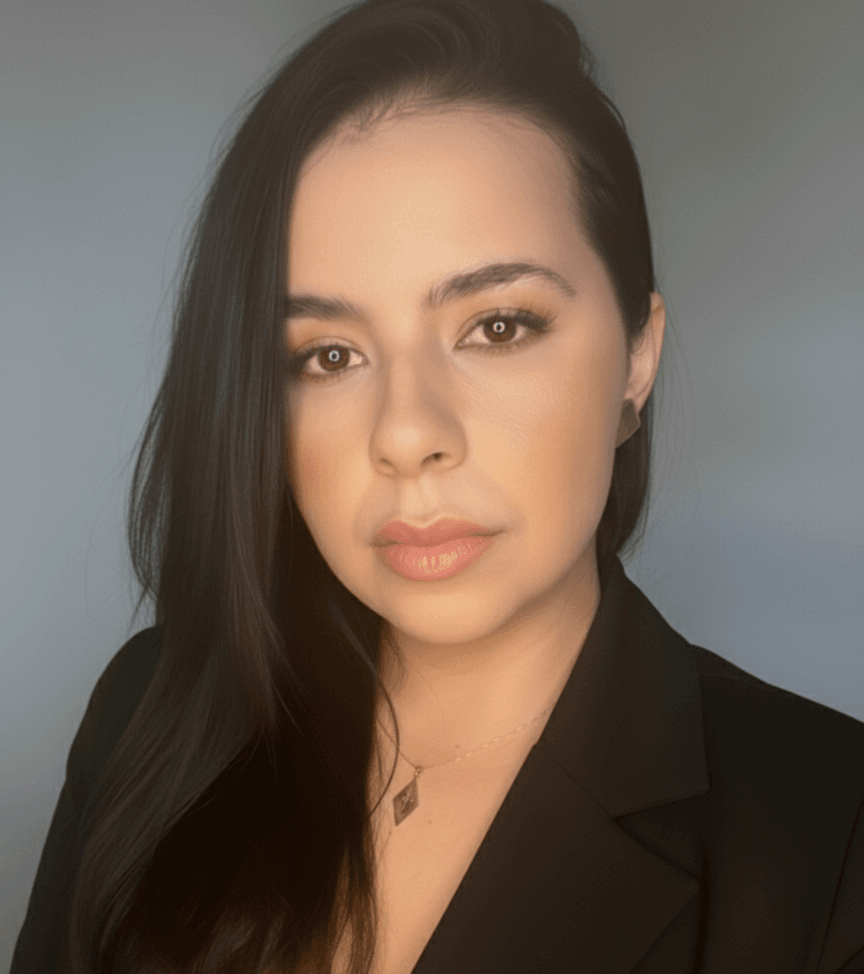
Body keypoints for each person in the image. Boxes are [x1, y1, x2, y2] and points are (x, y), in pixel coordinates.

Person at [10, 0, 864, 972]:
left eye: (497, 327)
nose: (408, 435)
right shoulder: (149, 715)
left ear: (637, 354)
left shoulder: (833, 839)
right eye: (330, 354)